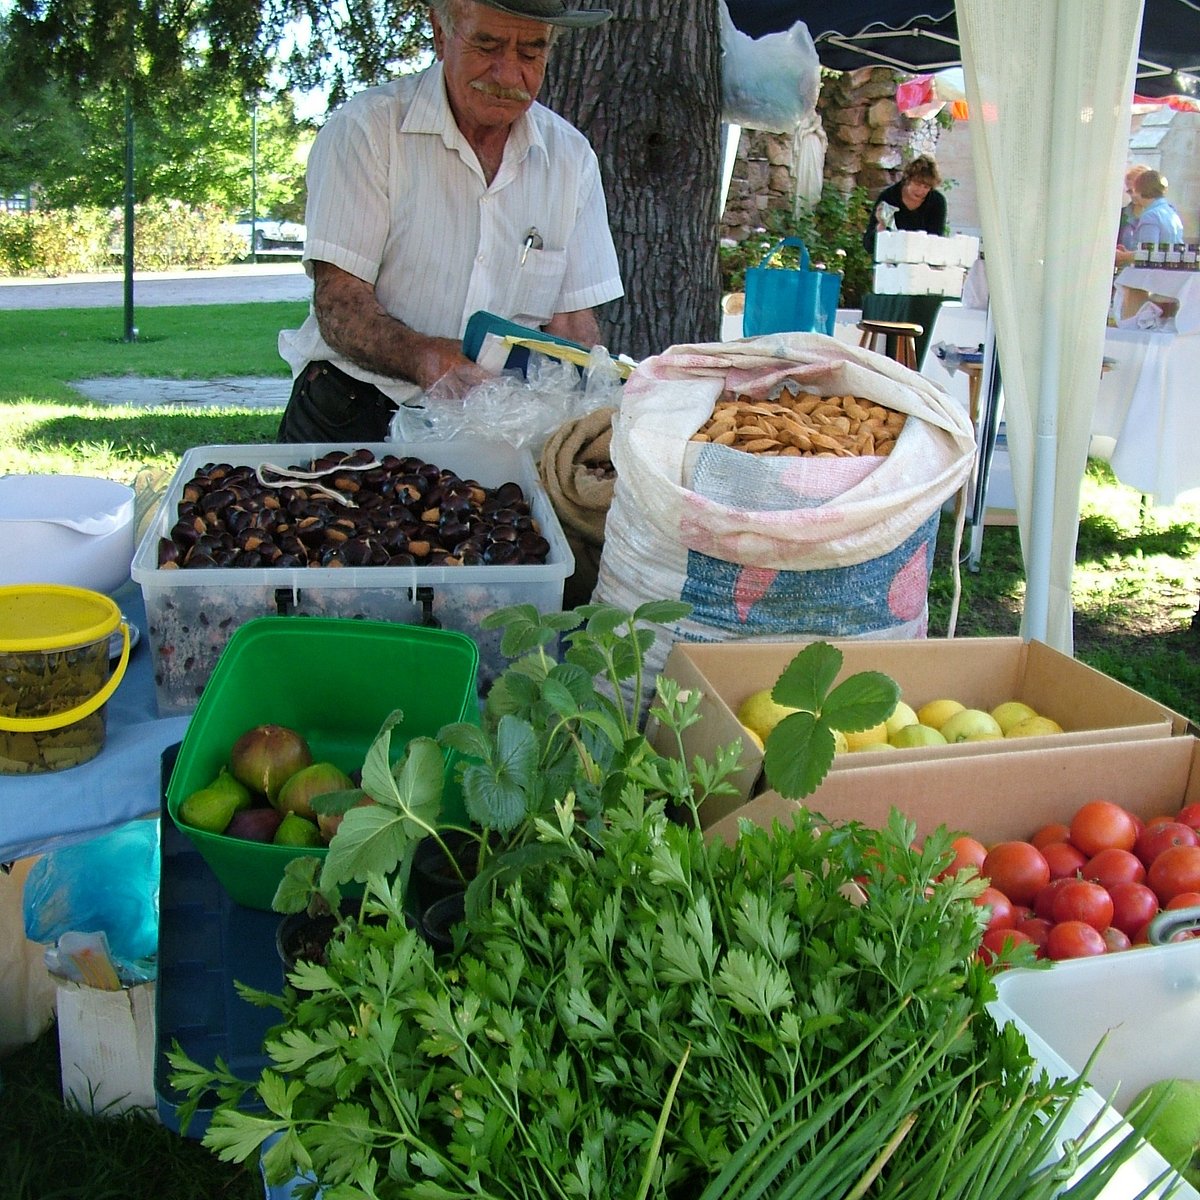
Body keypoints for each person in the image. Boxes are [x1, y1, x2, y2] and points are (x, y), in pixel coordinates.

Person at [277, 0, 624, 443]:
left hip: (494, 429)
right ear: (441, 34)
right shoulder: (366, 131)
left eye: (531, 52)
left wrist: (588, 408)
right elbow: (340, 302)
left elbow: (572, 324)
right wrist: (425, 358)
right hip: (351, 413)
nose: (507, 75)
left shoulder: (570, 158)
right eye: (487, 45)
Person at [862, 155, 948, 259]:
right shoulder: (889, 197)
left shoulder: (936, 202)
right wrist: (881, 226)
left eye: (926, 187)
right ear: (908, 179)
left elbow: (935, 240)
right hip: (891, 261)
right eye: (917, 184)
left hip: (922, 261)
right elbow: (869, 246)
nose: (921, 191)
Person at [1116, 163, 1150, 253]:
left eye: (1137, 190)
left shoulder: (1158, 214)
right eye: (1130, 191)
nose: (1134, 195)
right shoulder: (1121, 215)